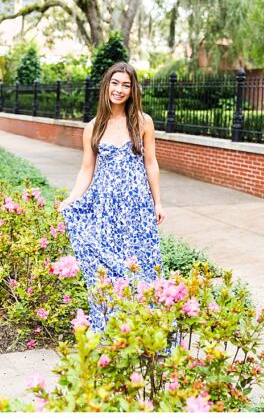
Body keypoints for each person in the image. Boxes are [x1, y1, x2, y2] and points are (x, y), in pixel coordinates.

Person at [57, 61, 165, 332]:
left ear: (132, 90)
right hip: (105, 209)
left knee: (141, 264)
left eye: (126, 85)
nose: (119, 90)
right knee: (109, 268)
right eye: (115, 83)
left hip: (137, 207)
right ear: (106, 85)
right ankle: (110, 329)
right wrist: (72, 198)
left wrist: (158, 201)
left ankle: (144, 328)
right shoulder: (93, 127)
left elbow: (151, 163)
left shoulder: (143, 121)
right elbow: (86, 170)